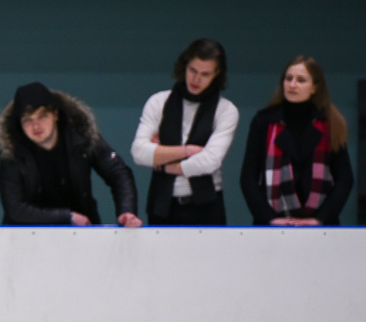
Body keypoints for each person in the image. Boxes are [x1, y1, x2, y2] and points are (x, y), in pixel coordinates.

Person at [0, 81, 143, 227]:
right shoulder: (12, 153)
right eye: (27, 120)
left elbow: (118, 173)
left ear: (55, 114)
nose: (36, 126)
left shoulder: (82, 136)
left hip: (81, 231)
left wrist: (127, 212)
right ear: (19, 124)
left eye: (42, 116)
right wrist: (68, 217)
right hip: (26, 236)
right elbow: (15, 208)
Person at [131, 38, 239, 225]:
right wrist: (187, 151)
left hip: (206, 207)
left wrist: (165, 163)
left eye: (205, 74)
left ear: (216, 74)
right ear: (184, 66)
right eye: (192, 70)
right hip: (162, 205)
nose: (196, 79)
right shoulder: (159, 102)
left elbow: (210, 161)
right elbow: (139, 152)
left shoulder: (226, 110)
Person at [240, 55, 353, 225]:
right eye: (288, 78)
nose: (292, 85)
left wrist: (319, 219)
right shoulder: (263, 121)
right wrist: (270, 219)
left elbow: (345, 179)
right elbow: (248, 177)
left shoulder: (330, 122)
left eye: (301, 80)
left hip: (320, 226)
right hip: (272, 224)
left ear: (314, 87)